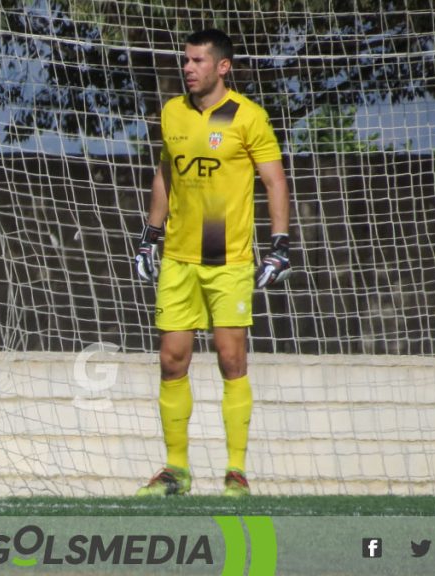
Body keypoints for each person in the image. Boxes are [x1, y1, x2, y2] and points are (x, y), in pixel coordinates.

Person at [133, 29, 292, 497]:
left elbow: (274, 180)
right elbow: (165, 173)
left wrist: (279, 244)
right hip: (179, 260)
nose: (188, 68)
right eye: (186, 60)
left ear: (223, 67)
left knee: (231, 358)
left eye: (198, 61)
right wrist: (150, 237)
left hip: (229, 261)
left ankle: (236, 472)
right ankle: (175, 471)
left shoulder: (249, 117)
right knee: (171, 359)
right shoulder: (172, 112)